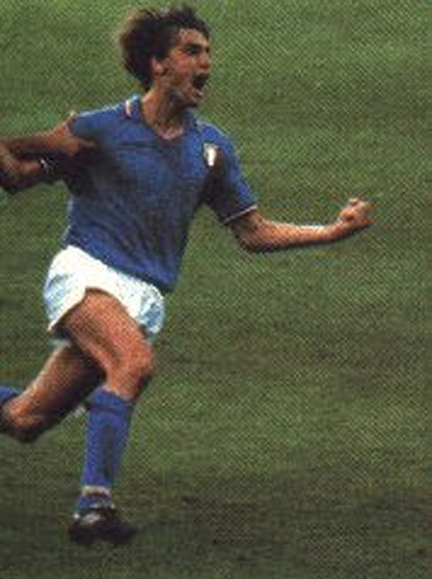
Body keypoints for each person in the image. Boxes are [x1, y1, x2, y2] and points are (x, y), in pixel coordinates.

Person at [0, 5, 372, 546]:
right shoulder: (102, 129)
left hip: (143, 299)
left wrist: (332, 232)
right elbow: (15, 176)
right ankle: (93, 505)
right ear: (158, 63)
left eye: (207, 53)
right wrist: (33, 144)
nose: (206, 64)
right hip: (87, 271)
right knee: (132, 364)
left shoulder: (211, 149)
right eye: (191, 52)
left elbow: (252, 232)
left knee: (25, 420)